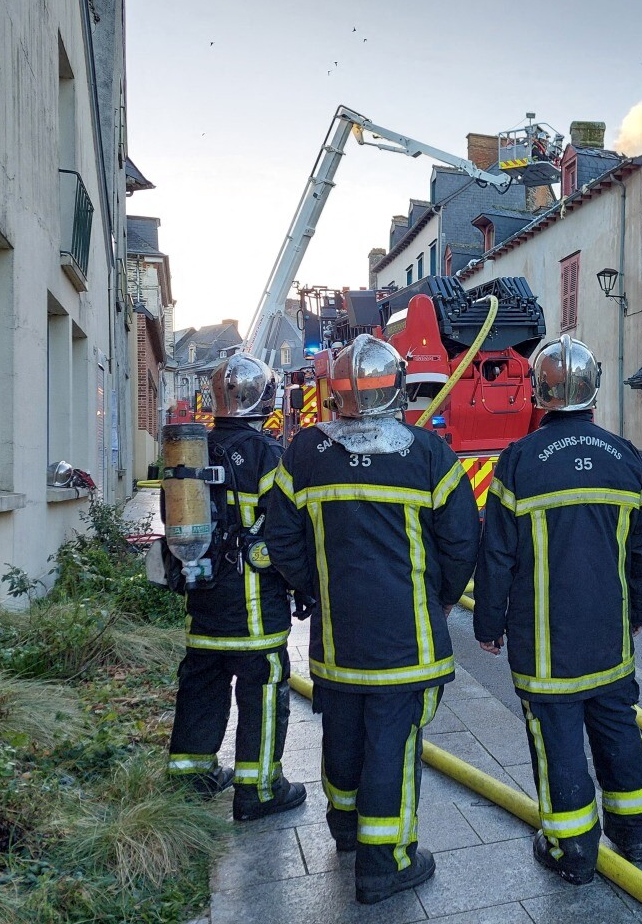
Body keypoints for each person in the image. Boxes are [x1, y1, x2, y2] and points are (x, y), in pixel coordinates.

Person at [263, 335, 479, 905]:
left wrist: (317, 587)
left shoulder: (306, 453)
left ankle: (346, 832)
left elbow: (281, 538)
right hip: (408, 642)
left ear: (337, 393)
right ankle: (386, 864)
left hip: (337, 642)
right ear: (398, 386)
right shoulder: (428, 454)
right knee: (392, 743)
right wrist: (441, 598)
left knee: (343, 734)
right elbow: (462, 542)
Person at [474, 335, 642, 886]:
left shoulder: (519, 462)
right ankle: (634, 835)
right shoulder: (626, 458)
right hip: (610, 638)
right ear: (594, 391)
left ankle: (572, 851)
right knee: (618, 731)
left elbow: (497, 555)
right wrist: (638, 611)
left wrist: (488, 623)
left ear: (538, 392)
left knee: (557, 743)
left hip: (545, 645)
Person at [163, 352, 307, 821]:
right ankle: (259, 789)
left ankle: (190, 776)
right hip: (253, 608)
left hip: (201, 597)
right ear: (263, 399)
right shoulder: (269, 455)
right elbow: (287, 532)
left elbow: (174, 519)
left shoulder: (191, 450)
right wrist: (304, 585)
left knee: (202, 682)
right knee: (262, 688)